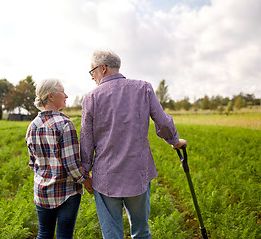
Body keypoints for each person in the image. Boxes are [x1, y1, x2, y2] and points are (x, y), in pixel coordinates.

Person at [80, 50, 187, 239]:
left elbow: (86, 139)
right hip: (138, 173)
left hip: (105, 176)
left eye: (92, 72)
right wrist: (175, 141)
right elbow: (162, 122)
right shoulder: (143, 88)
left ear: (102, 68)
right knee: (141, 232)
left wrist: (85, 171)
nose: (92, 77)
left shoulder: (91, 98)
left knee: (112, 234)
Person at [25, 78, 93, 239]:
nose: (66, 96)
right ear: (51, 96)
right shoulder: (65, 124)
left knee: (44, 234)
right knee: (64, 235)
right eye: (63, 92)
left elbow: (32, 163)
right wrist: (87, 181)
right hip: (66, 193)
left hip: (41, 191)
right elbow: (71, 165)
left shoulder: (32, 126)